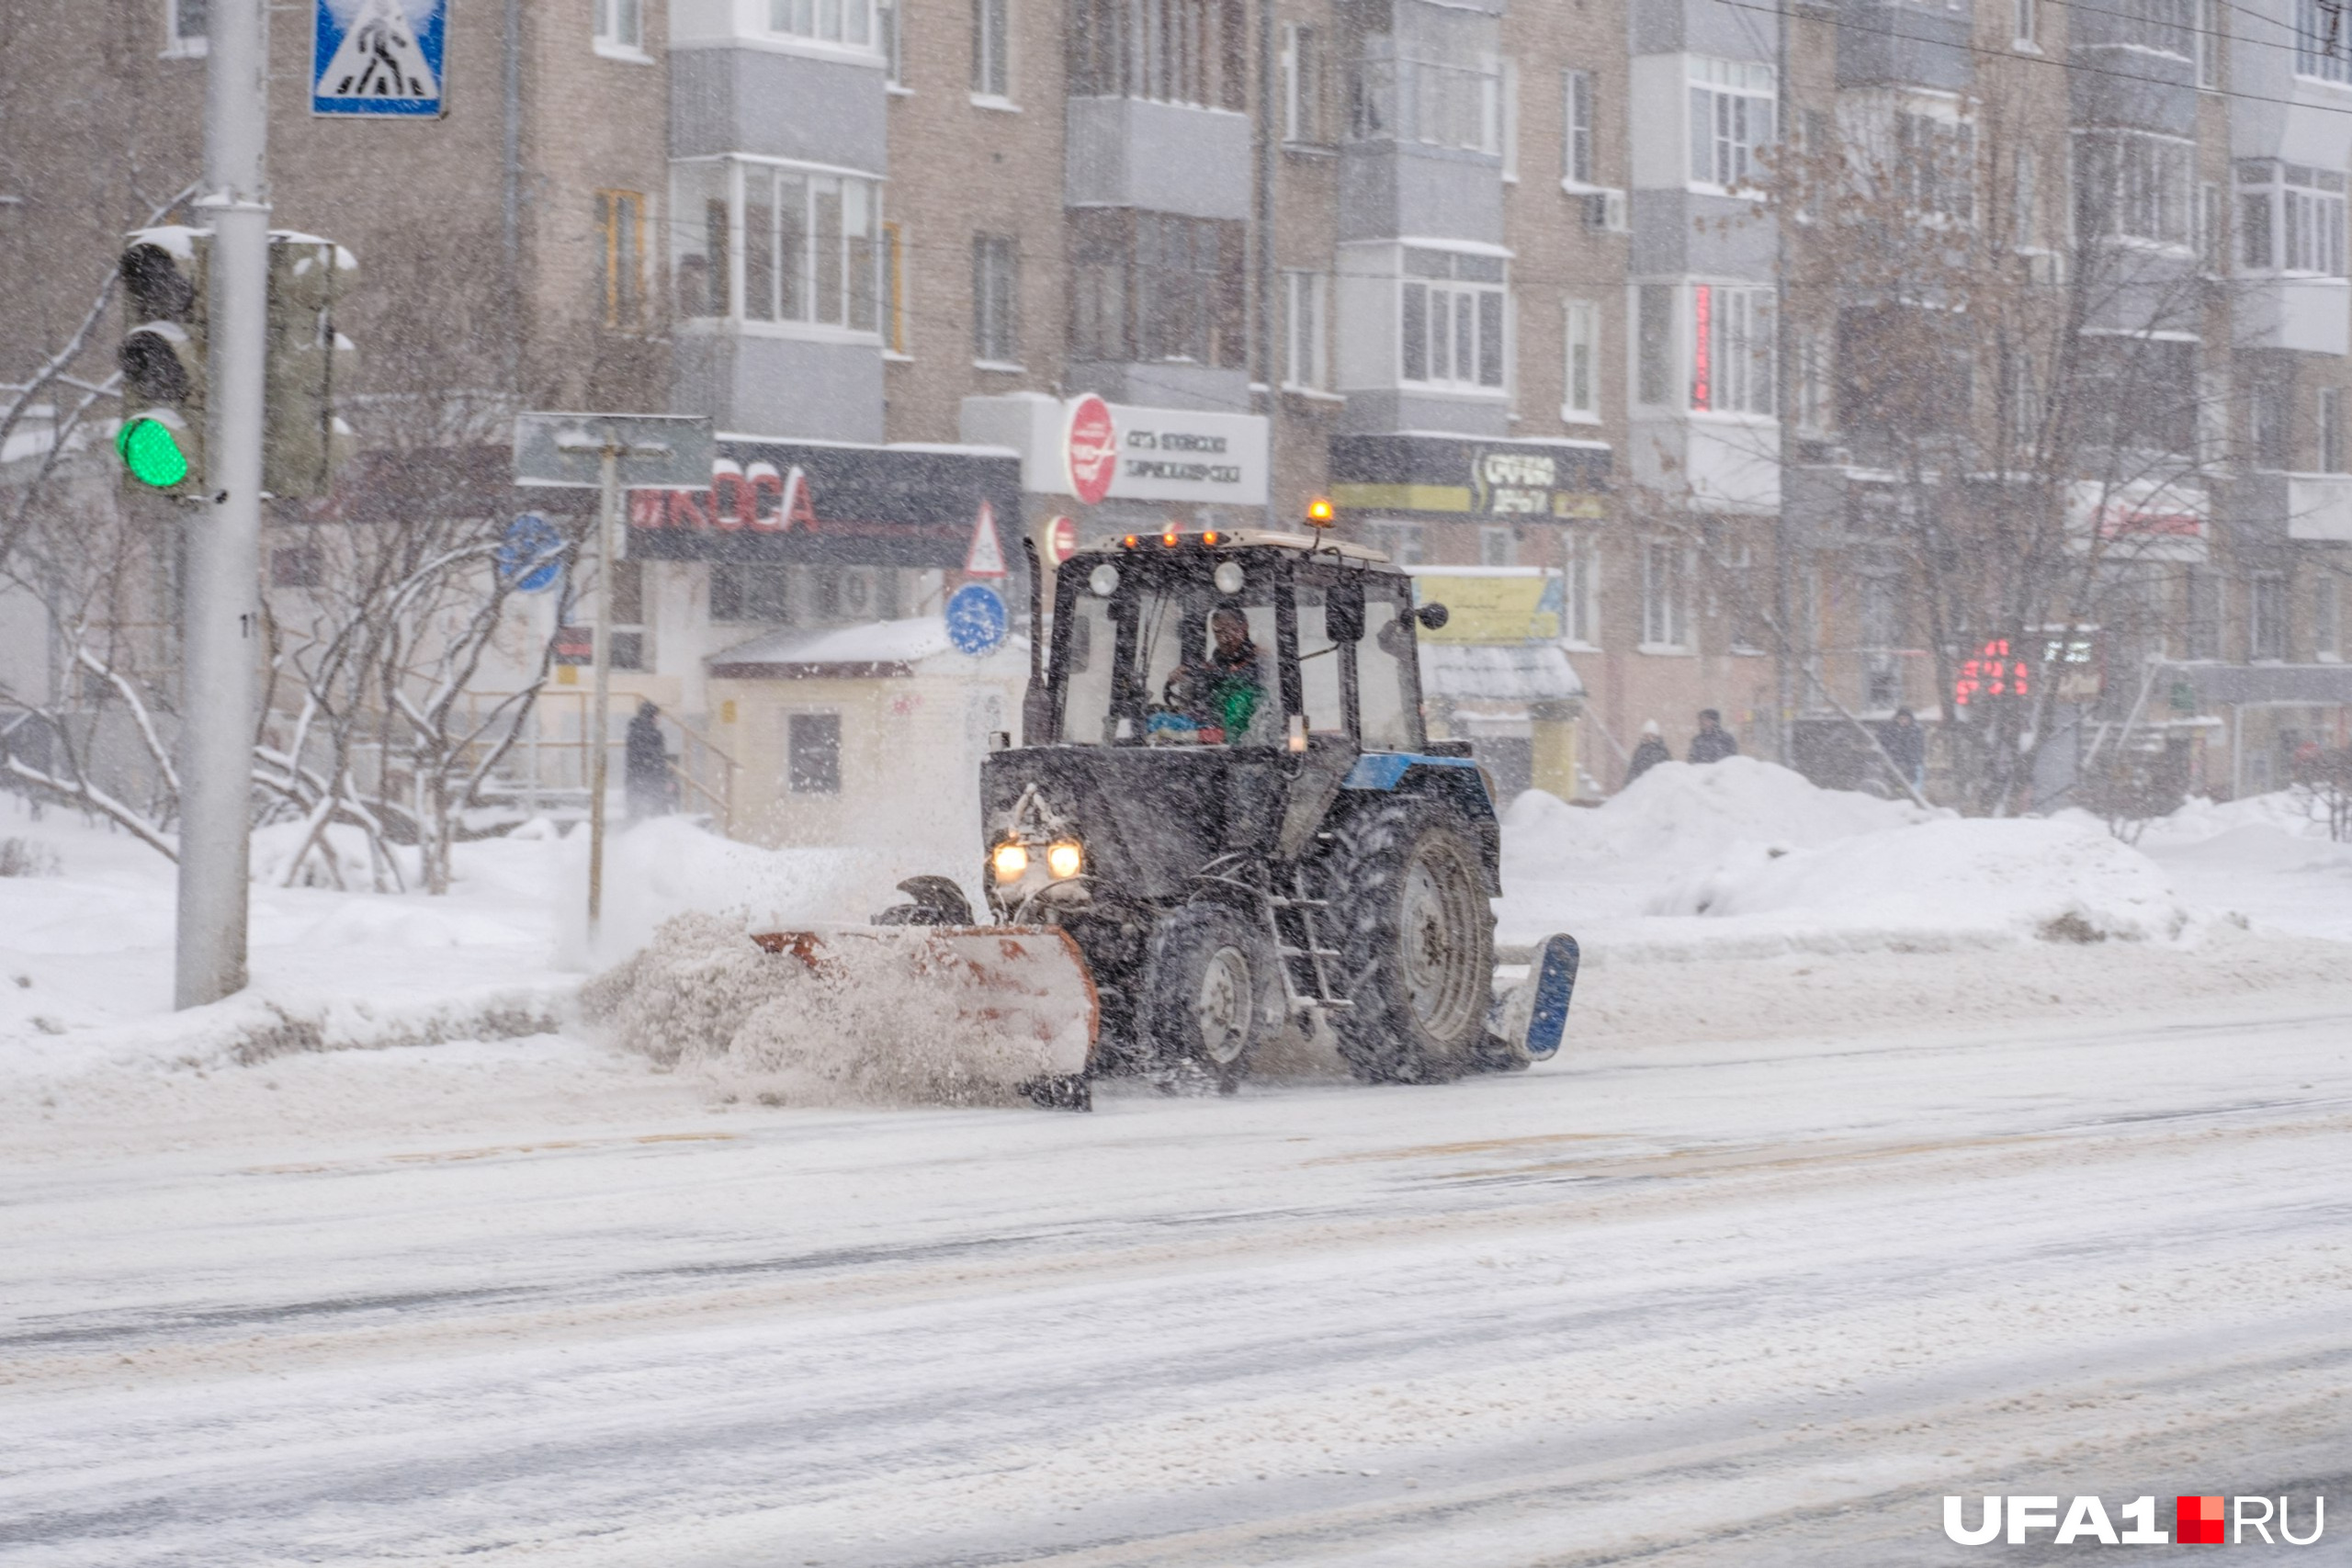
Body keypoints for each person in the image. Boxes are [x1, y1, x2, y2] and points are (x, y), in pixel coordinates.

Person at [1159, 607, 1266, 743]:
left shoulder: (1259, 660)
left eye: (1229, 629)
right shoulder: (1216, 662)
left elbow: (1233, 729)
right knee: (1158, 721)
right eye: (1218, 632)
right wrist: (1185, 674)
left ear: (1244, 627)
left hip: (1238, 738)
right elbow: (1211, 678)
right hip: (1209, 723)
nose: (1224, 638)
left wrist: (1187, 736)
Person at [625, 700, 672, 818]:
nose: (659, 719)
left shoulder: (633, 731)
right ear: (652, 716)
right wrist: (664, 779)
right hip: (651, 780)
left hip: (634, 779)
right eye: (657, 716)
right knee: (656, 815)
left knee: (635, 814)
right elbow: (657, 760)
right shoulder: (654, 734)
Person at [1880, 706, 1926, 792]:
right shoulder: (1890, 730)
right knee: (1895, 786)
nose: (1903, 721)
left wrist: (1911, 762)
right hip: (1894, 765)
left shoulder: (1915, 731)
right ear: (1896, 719)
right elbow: (1885, 746)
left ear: (1910, 719)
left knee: (1908, 786)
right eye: (1901, 718)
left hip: (1910, 766)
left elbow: (1918, 749)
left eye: (1906, 719)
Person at [1625, 719, 1671, 785]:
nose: (1649, 738)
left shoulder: (1662, 751)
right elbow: (1633, 770)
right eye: (1647, 735)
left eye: (1651, 735)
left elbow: (1668, 769)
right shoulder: (1639, 751)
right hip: (1641, 786)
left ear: (1656, 736)